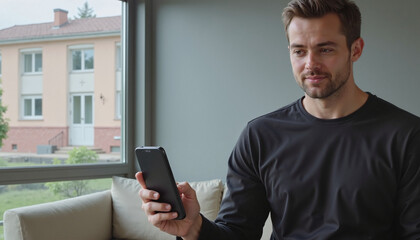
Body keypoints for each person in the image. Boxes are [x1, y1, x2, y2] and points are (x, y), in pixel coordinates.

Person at [136, 0, 420, 239]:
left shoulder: (407, 135)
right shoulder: (260, 136)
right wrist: (193, 227)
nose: (310, 64)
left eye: (325, 49)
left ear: (355, 49)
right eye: (299, 51)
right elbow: (237, 231)